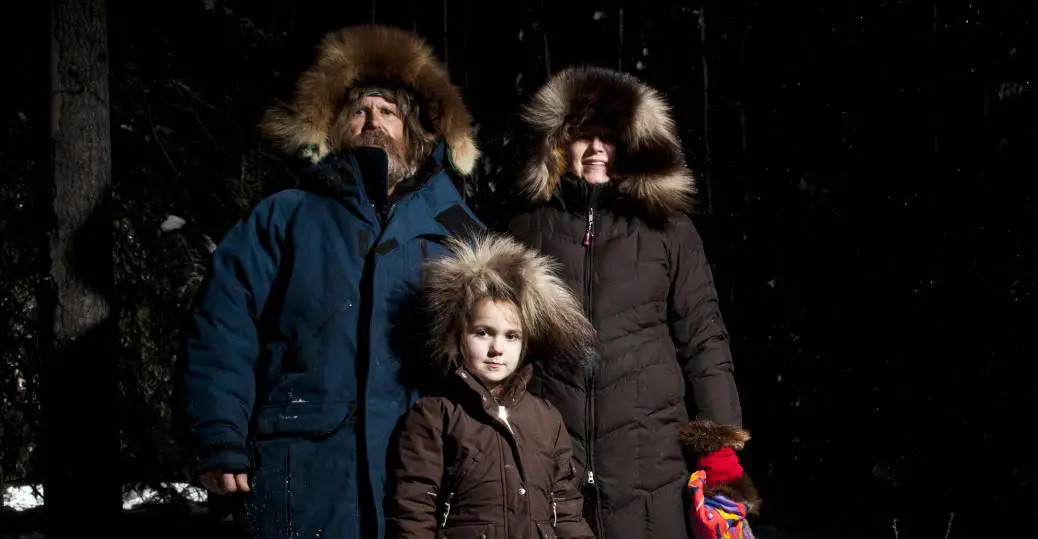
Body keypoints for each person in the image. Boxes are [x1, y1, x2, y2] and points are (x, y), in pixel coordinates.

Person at [179, 24, 483, 539]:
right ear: (335, 127)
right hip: (303, 469)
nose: (374, 122)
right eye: (360, 111)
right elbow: (223, 326)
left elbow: (499, 346)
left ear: (414, 129)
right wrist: (219, 435)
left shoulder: (458, 227)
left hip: (422, 468)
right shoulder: (283, 217)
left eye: (388, 111)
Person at [503, 65, 754, 538]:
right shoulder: (523, 226)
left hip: (652, 464)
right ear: (559, 142)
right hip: (552, 458)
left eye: (611, 137)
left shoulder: (669, 227)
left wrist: (720, 443)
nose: (597, 148)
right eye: (583, 135)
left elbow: (703, 336)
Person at [385, 233, 596, 539]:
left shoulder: (547, 418)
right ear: (458, 335)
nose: (497, 348)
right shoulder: (434, 416)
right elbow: (412, 510)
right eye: (483, 332)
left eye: (512, 336)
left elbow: (565, 509)